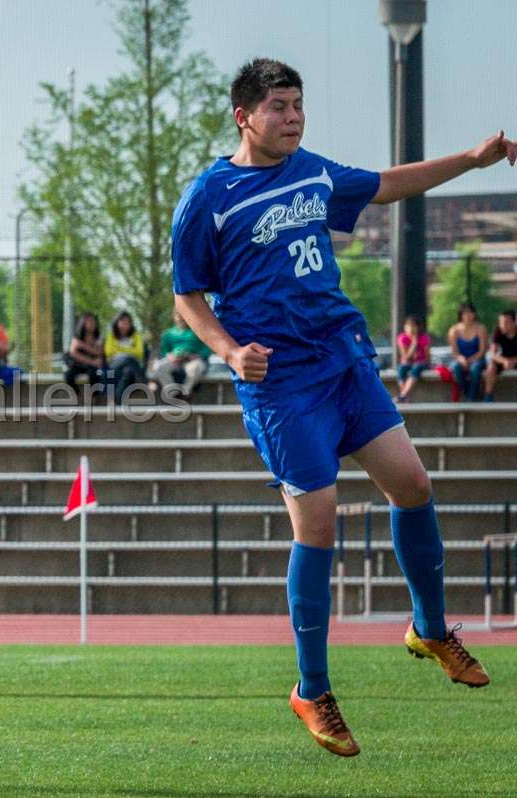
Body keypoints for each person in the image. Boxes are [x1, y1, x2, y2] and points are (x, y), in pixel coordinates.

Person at [171, 58, 507, 756]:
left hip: (343, 361)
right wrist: (231, 353)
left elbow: (388, 186)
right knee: (318, 526)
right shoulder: (209, 195)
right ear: (244, 116)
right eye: (278, 107)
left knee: (413, 485)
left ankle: (430, 627)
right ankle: (312, 688)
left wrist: (473, 161)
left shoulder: (313, 172)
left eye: (298, 104)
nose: (293, 117)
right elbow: (188, 298)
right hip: (282, 384)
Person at [148, 310, 212, 400]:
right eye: (178, 315)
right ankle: (173, 394)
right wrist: (170, 356)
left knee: (196, 368)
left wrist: (197, 355)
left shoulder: (198, 331)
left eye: (184, 315)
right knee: (159, 366)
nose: (181, 318)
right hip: (175, 361)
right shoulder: (168, 334)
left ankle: (185, 393)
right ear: (174, 317)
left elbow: (207, 349)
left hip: (192, 360)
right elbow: (164, 351)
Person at [448, 303, 490, 402]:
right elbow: (454, 352)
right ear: (460, 315)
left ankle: (471, 397)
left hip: (477, 359)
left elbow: (482, 350)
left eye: (470, 312)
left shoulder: (481, 328)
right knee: (455, 367)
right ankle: (468, 392)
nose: (468, 315)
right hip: (460, 359)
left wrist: (470, 360)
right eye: (465, 313)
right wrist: (462, 360)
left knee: (475, 368)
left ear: (474, 314)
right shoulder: (454, 330)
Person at [104, 312, 147, 402]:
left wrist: (119, 349)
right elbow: (109, 352)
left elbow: (139, 352)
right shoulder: (111, 335)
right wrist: (129, 350)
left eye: (128, 322)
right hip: (114, 365)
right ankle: (142, 380)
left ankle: (118, 401)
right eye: (122, 322)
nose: (125, 325)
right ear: (117, 323)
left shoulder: (136, 335)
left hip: (131, 366)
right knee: (128, 358)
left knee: (128, 371)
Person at [63, 313, 105, 389]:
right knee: (68, 375)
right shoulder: (77, 337)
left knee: (94, 374)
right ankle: (76, 395)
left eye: (93, 322)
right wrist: (91, 359)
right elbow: (73, 353)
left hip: (91, 367)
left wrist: (84, 346)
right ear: (82, 323)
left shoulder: (98, 337)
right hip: (78, 365)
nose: (91, 324)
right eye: (88, 322)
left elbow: (99, 353)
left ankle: (95, 397)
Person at [394, 315, 431, 403]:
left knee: (416, 368)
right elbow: (406, 357)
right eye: (408, 326)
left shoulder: (424, 338)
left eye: (413, 326)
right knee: (401, 369)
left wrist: (415, 341)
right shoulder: (402, 338)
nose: (411, 328)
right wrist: (413, 344)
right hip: (408, 362)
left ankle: (402, 395)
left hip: (421, 363)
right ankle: (405, 397)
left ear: (418, 327)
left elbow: (427, 357)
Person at [483, 309, 517, 402]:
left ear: (514, 323)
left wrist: (513, 361)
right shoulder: (498, 331)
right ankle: (488, 398)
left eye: (506, 323)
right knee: (491, 367)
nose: (502, 325)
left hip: (515, 360)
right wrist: (504, 361)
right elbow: (492, 353)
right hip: (504, 360)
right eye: (500, 322)